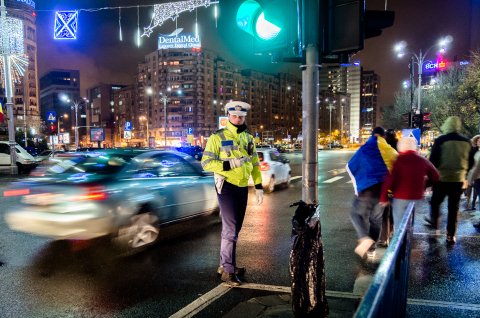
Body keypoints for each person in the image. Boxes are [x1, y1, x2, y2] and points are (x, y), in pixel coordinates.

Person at [201, 101, 264, 286]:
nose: (238, 119)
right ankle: (228, 271)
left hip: (242, 186)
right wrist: (228, 164)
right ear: (228, 116)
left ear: (244, 117)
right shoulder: (217, 137)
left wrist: (258, 186)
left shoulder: (248, 138)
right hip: (226, 185)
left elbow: (254, 164)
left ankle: (224, 264)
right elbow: (205, 163)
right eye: (234, 116)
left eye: (241, 116)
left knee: (234, 229)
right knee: (230, 229)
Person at [346, 127, 397, 259]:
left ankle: (364, 237)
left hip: (367, 188)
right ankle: (371, 250)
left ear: (372, 134)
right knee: (376, 220)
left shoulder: (364, 148)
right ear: (384, 136)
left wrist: (358, 186)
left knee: (356, 214)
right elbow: (397, 163)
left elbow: (350, 165)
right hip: (382, 190)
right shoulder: (387, 148)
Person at [426, 116, 472, 245]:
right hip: (458, 180)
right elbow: (471, 161)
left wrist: (430, 180)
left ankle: (435, 230)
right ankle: (451, 235)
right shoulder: (466, 142)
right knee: (453, 208)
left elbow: (433, 160)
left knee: (435, 204)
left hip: (441, 178)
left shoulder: (441, 140)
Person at [380, 137, 439, 230]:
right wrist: (424, 185)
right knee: (409, 221)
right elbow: (436, 176)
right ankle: (408, 237)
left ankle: (401, 242)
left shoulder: (399, 161)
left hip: (400, 197)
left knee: (400, 226)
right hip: (416, 196)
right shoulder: (422, 160)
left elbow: (389, 180)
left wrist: (384, 198)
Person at [377, 128, 399, 247]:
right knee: (392, 209)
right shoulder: (397, 147)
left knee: (384, 210)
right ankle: (391, 230)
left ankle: (384, 237)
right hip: (395, 183)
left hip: (383, 181)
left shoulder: (383, 147)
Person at [465, 135, 480, 210]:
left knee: (476, 189)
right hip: (471, 171)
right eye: (478, 140)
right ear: (476, 141)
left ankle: (473, 203)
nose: (479, 142)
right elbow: (468, 160)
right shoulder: (472, 149)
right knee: (470, 186)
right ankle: (468, 201)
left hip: (477, 173)